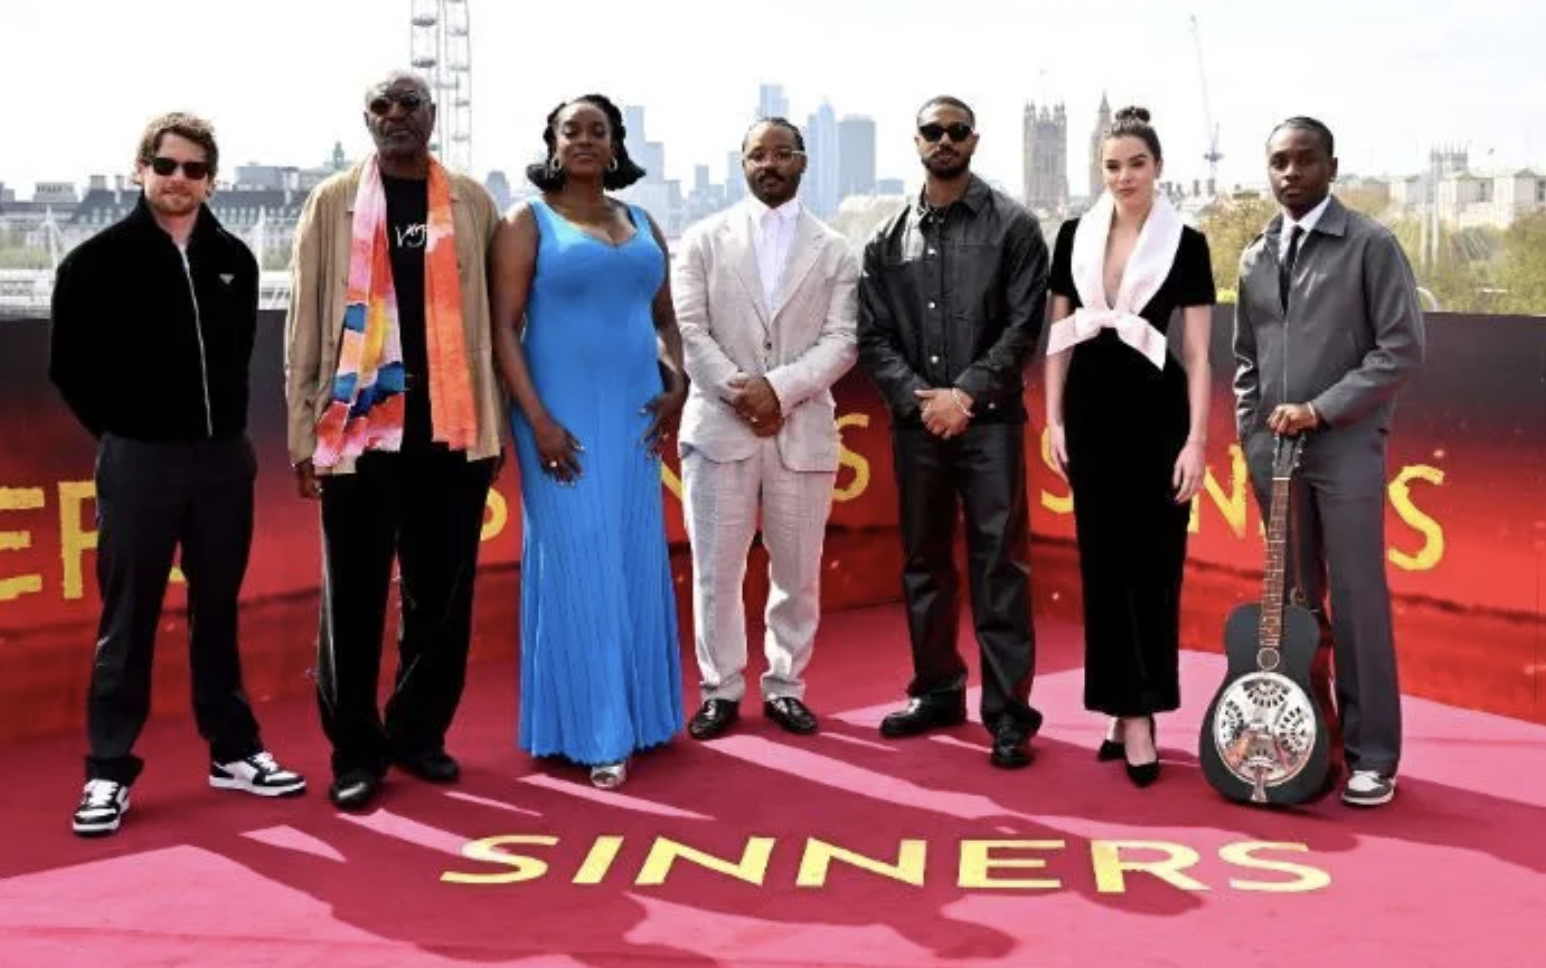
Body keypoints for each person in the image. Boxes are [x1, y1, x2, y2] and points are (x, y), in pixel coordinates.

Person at [50, 112, 306, 837]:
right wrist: (129, 432)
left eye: (194, 169)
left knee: (217, 611)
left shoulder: (235, 259)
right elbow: (69, 369)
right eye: (166, 165)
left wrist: (212, 436)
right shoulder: (94, 262)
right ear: (142, 169)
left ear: (211, 181)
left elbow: (238, 355)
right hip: (140, 460)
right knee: (127, 618)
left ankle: (233, 751)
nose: (179, 179)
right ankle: (107, 770)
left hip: (224, 460)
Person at [284, 71, 505, 810]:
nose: (395, 115)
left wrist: (495, 426)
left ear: (432, 115)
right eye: (381, 105)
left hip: (452, 429)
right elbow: (304, 325)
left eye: (410, 104)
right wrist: (303, 436)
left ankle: (417, 732)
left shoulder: (470, 202)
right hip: (356, 434)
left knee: (441, 600)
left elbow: (499, 321)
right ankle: (355, 751)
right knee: (351, 600)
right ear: (367, 118)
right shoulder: (333, 201)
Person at [490, 94, 687, 789]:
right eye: (569, 129)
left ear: (614, 145)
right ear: (551, 143)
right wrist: (537, 419)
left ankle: (643, 716)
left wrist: (679, 380)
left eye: (596, 130)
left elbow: (665, 317)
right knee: (580, 559)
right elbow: (503, 328)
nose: (582, 139)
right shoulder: (526, 221)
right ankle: (597, 731)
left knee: (631, 555)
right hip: (559, 418)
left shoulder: (642, 221)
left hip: (637, 415)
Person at [1233, 116, 1425, 808]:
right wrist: (1253, 436)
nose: (1291, 173)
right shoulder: (1255, 256)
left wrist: (1321, 409)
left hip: (1345, 451)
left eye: (1305, 160)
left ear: (1331, 167)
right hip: (1275, 457)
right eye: (1279, 161)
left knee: (1357, 599)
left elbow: (1400, 348)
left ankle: (1374, 756)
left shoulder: (1371, 245)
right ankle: (1311, 742)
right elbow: (1247, 360)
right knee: (1294, 606)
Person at [856, 96, 1051, 769]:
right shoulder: (885, 239)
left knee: (1001, 566)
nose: (945, 140)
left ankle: (1009, 715)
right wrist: (924, 401)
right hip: (918, 426)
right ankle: (937, 690)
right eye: (933, 131)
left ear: (974, 140)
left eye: (956, 131)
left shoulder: (1015, 227)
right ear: (916, 141)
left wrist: (964, 395)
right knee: (924, 563)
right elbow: (873, 335)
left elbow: (1024, 327)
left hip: (990, 424)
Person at [1043, 107, 1215, 787]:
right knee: (1104, 567)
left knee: (1154, 567)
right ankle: (1126, 710)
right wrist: (1054, 421)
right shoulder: (1073, 235)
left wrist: (1196, 440)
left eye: (1136, 164)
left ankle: (1139, 714)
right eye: (1112, 166)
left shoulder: (1187, 243)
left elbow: (1198, 355)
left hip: (1158, 417)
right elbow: (1057, 336)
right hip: (1089, 414)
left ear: (1158, 167)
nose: (1124, 177)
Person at [672, 118, 859, 741]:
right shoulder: (701, 239)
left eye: (782, 153)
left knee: (798, 572)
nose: (769, 164)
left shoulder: (835, 248)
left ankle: (785, 686)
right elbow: (689, 332)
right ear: (742, 164)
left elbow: (843, 339)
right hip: (718, 428)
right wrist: (743, 391)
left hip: (802, 431)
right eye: (757, 154)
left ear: (802, 162)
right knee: (715, 572)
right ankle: (720, 688)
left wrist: (777, 390)